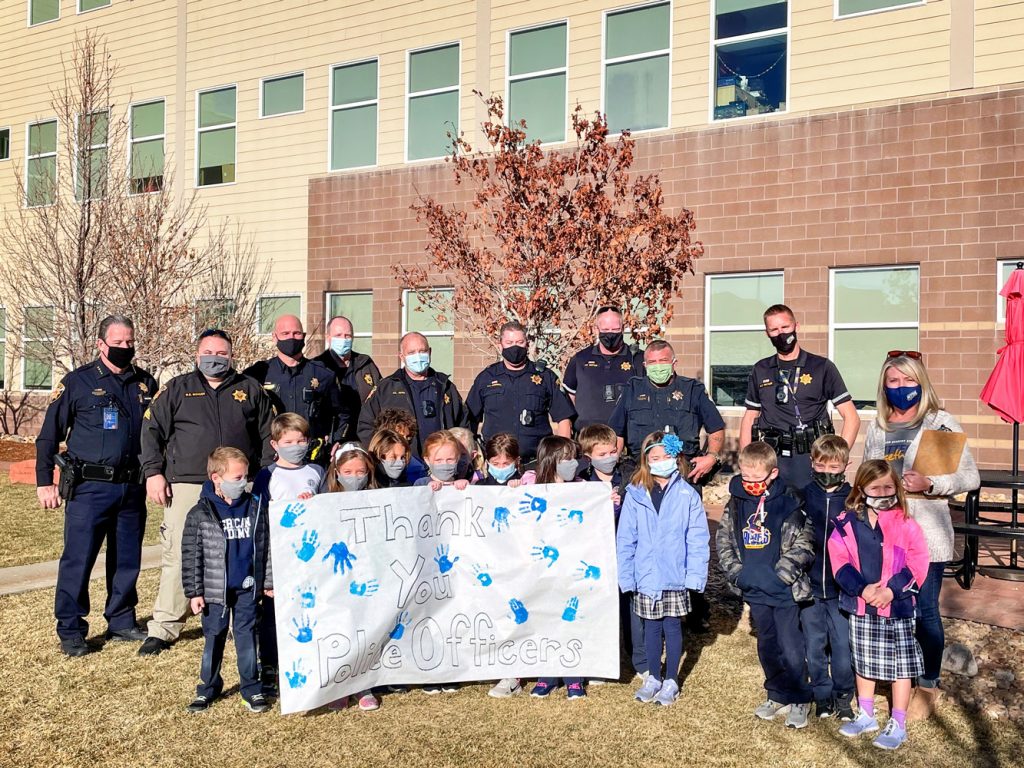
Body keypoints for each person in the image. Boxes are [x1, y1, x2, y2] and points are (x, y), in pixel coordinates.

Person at [139, 329, 274, 656]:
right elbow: (151, 431)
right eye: (209, 351)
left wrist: (267, 478)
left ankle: (237, 619)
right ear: (197, 355)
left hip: (238, 484)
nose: (215, 358)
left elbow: (269, 435)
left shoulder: (249, 389)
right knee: (179, 553)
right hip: (186, 483)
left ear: (231, 355)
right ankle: (166, 626)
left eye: (222, 352)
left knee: (239, 551)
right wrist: (153, 473)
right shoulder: (177, 389)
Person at [862, 351, 979, 720]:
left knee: (924, 612)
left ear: (921, 382)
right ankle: (897, 679)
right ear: (884, 386)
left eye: (908, 380)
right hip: (884, 534)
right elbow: (867, 474)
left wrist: (931, 483)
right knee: (892, 610)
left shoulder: (939, 424)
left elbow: (969, 478)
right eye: (893, 381)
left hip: (926, 533)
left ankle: (927, 685)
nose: (901, 388)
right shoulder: (879, 425)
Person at [35, 315, 157, 656]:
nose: (124, 348)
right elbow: (48, 436)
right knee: (79, 559)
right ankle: (71, 629)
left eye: (129, 343)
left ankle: (121, 619)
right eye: (117, 343)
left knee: (127, 558)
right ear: (101, 344)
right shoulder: (78, 382)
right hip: (90, 488)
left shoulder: (145, 383)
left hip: (131, 487)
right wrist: (45, 482)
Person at [829, 460, 930, 751]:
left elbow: (918, 561)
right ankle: (867, 714)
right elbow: (839, 561)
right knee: (864, 661)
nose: (883, 492)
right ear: (862, 489)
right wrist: (862, 589)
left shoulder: (906, 523)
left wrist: (892, 591)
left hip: (897, 607)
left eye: (889, 487)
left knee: (900, 666)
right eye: (876, 487)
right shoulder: (846, 523)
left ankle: (898, 721)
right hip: (862, 606)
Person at [716, 441, 815, 729]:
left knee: (791, 646)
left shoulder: (790, 500)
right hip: (754, 589)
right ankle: (777, 693)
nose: (751, 484)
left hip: (784, 591)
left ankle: (799, 697)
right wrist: (738, 574)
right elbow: (724, 540)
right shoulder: (736, 501)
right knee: (767, 645)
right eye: (746, 478)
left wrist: (783, 574)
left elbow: (804, 542)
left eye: (757, 480)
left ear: (772, 473)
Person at [618, 432, 710, 707]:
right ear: (646, 461)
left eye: (666, 457)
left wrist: (694, 576)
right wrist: (627, 576)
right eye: (655, 458)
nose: (661, 462)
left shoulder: (688, 495)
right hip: (646, 575)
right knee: (650, 628)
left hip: (674, 575)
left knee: (672, 626)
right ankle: (653, 677)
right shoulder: (635, 493)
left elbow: (697, 538)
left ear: (677, 458)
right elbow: (626, 538)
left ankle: (671, 679)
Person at [182, 447, 273, 714]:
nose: (243, 483)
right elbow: (191, 556)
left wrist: (266, 581)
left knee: (247, 639)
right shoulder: (200, 513)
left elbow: (266, 548)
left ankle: (251, 688)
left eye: (245, 477)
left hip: (247, 588)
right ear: (216, 478)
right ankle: (207, 688)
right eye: (237, 478)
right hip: (214, 592)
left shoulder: (255, 507)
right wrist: (194, 592)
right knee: (214, 638)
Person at [739, 304, 860, 491]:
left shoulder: (822, 367)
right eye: (774, 329)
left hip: (811, 458)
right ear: (767, 333)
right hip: (771, 459)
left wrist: (836, 459)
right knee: (772, 517)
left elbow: (851, 417)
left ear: (796, 326)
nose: (780, 333)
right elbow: (749, 417)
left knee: (815, 517)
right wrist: (746, 460)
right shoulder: (761, 369)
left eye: (785, 327)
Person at [251, 413, 325, 691]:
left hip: (310, 556)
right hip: (279, 558)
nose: (296, 445)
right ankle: (269, 663)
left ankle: (309, 656)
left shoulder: (316, 471)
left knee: (308, 608)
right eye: (289, 441)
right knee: (272, 613)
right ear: (275, 444)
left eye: (301, 440)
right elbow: (259, 521)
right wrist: (265, 572)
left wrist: (314, 503)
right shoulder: (267, 475)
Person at [521, 436, 587, 700]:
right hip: (541, 567)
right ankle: (546, 675)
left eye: (574, 458)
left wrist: (610, 502)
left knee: (570, 620)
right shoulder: (531, 483)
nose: (573, 464)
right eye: (567, 459)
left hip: (570, 566)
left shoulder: (583, 487)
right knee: (545, 618)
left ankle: (574, 677)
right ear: (551, 460)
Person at [609, 340, 725, 487]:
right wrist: (612, 466)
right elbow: (617, 432)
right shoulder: (632, 389)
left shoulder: (693, 390)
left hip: (683, 472)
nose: (658, 366)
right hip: (641, 473)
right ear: (645, 366)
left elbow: (716, 428)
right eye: (652, 362)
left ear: (674, 363)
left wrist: (711, 457)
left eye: (663, 361)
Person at [579, 423, 642, 680]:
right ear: (588, 457)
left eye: (612, 452)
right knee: (598, 607)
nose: (608, 458)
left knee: (631, 609)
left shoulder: (630, 475)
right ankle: (598, 662)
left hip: (626, 552)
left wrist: (624, 502)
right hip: (594, 555)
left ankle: (640, 660)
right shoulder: (581, 480)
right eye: (601, 454)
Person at [799, 434, 856, 721]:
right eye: (821, 466)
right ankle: (822, 695)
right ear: (812, 463)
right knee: (814, 645)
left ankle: (844, 696)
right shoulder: (803, 495)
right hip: (810, 587)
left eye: (834, 467)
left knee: (843, 648)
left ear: (845, 465)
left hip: (841, 590)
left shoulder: (854, 499)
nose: (827, 472)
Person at [466, 321, 576, 463]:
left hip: (537, 462)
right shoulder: (486, 378)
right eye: (509, 342)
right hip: (496, 464)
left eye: (519, 342)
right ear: (500, 345)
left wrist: (562, 458)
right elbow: (470, 420)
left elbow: (564, 419)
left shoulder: (545, 377)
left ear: (527, 344)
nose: (515, 347)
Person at [244, 314, 348, 464]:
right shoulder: (257, 374)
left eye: (296, 333)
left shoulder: (323, 374)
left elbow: (342, 413)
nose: (291, 338)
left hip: (312, 459)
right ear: (274, 337)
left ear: (304, 337)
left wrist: (338, 440)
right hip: (271, 459)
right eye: (285, 334)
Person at [357, 332, 469, 456]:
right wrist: (386, 455)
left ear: (430, 352)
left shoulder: (445, 386)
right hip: (401, 464)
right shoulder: (386, 388)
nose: (418, 356)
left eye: (422, 351)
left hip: (441, 464)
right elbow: (365, 426)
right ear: (401, 356)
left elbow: (463, 424)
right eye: (411, 353)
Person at [562, 307, 645, 432]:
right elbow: (569, 397)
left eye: (615, 329)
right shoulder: (580, 359)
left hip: (628, 436)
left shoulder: (638, 359)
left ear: (622, 329)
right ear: (596, 330)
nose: (610, 333)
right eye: (605, 330)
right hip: (588, 438)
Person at [314, 315, 382, 440]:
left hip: (366, 437)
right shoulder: (317, 367)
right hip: (333, 439)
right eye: (338, 335)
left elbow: (380, 398)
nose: (343, 339)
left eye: (348, 336)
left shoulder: (366, 364)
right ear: (328, 337)